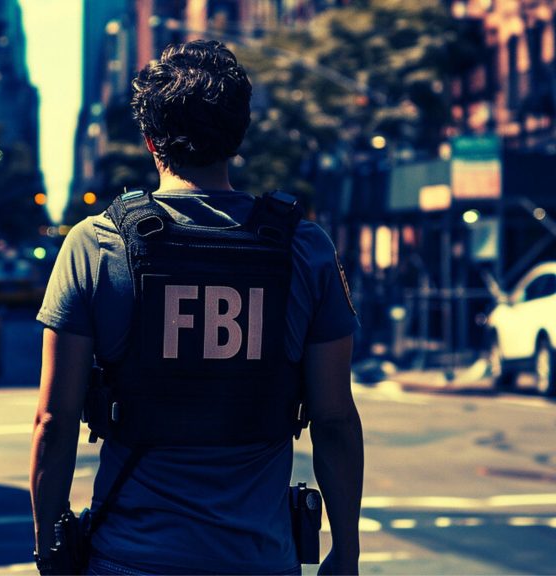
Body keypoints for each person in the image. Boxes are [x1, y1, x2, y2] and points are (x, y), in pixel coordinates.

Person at [30, 40, 363, 575]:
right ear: (239, 135)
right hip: (259, 562)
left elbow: (54, 419)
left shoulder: (95, 244)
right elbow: (335, 420)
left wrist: (49, 545)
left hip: (130, 560)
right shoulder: (307, 248)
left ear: (149, 139)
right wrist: (345, 550)